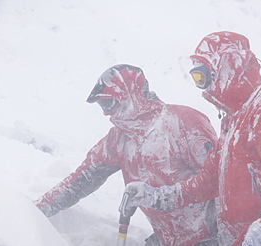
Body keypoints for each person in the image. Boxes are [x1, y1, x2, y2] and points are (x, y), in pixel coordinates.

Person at [121, 32, 261, 245]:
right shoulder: (233, 119)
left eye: (202, 76)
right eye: (197, 78)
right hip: (236, 238)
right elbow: (210, 179)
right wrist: (159, 197)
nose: (202, 86)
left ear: (227, 67)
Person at [35, 64, 219, 246]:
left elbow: (219, 179)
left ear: (130, 96)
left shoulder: (183, 122)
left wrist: (162, 197)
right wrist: (39, 209)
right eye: (102, 106)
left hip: (210, 237)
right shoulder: (119, 139)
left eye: (108, 103)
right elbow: (82, 179)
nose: (106, 112)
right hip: (165, 240)